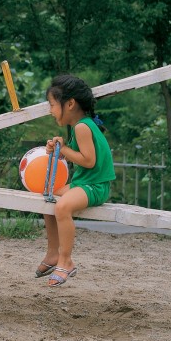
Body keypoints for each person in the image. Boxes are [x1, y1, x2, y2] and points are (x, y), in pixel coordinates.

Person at [35, 74, 115, 286]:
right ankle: (53, 254)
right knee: (49, 200)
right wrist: (60, 149)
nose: (50, 111)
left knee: (62, 207)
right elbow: (78, 156)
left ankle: (66, 260)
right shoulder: (79, 126)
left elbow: (88, 161)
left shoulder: (82, 127)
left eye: (52, 105)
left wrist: (65, 149)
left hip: (95, 186)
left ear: (69, 103)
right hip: (85, 183)